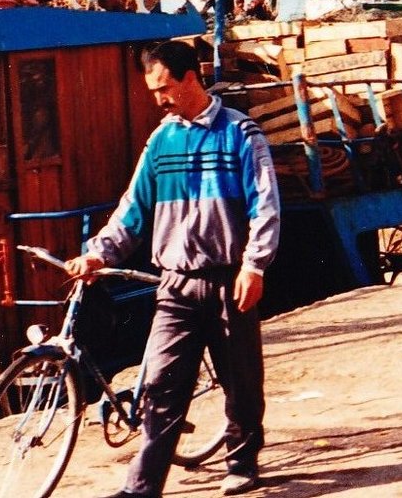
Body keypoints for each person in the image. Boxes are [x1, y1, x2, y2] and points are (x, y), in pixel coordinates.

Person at [68, 39, 281, 498]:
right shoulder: (161, 141)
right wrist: (98, 253)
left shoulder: (242, 135)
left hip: (228, 279)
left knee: (240, 380)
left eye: (164, 88)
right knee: (161, 387)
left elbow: (265, 207)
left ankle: (242, 460)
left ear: (191, 78)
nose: (159, 99)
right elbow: (132, 212)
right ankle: (142, 487)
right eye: (152, 91)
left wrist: (255, 265)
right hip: (176, 286)